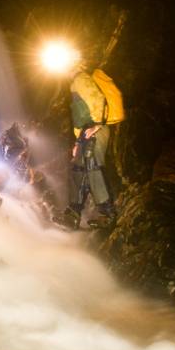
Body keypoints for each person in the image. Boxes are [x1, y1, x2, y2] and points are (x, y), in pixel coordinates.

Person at [56, 64, 123, 230]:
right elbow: (80, 115)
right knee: (78, 169)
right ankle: (73, 214)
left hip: (95, 129)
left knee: (93, 168)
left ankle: (108, 214)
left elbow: (96, 99)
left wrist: (98, 125)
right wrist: (78, 141)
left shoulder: (81, 78)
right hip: (86, 131)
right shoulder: (74, 83)